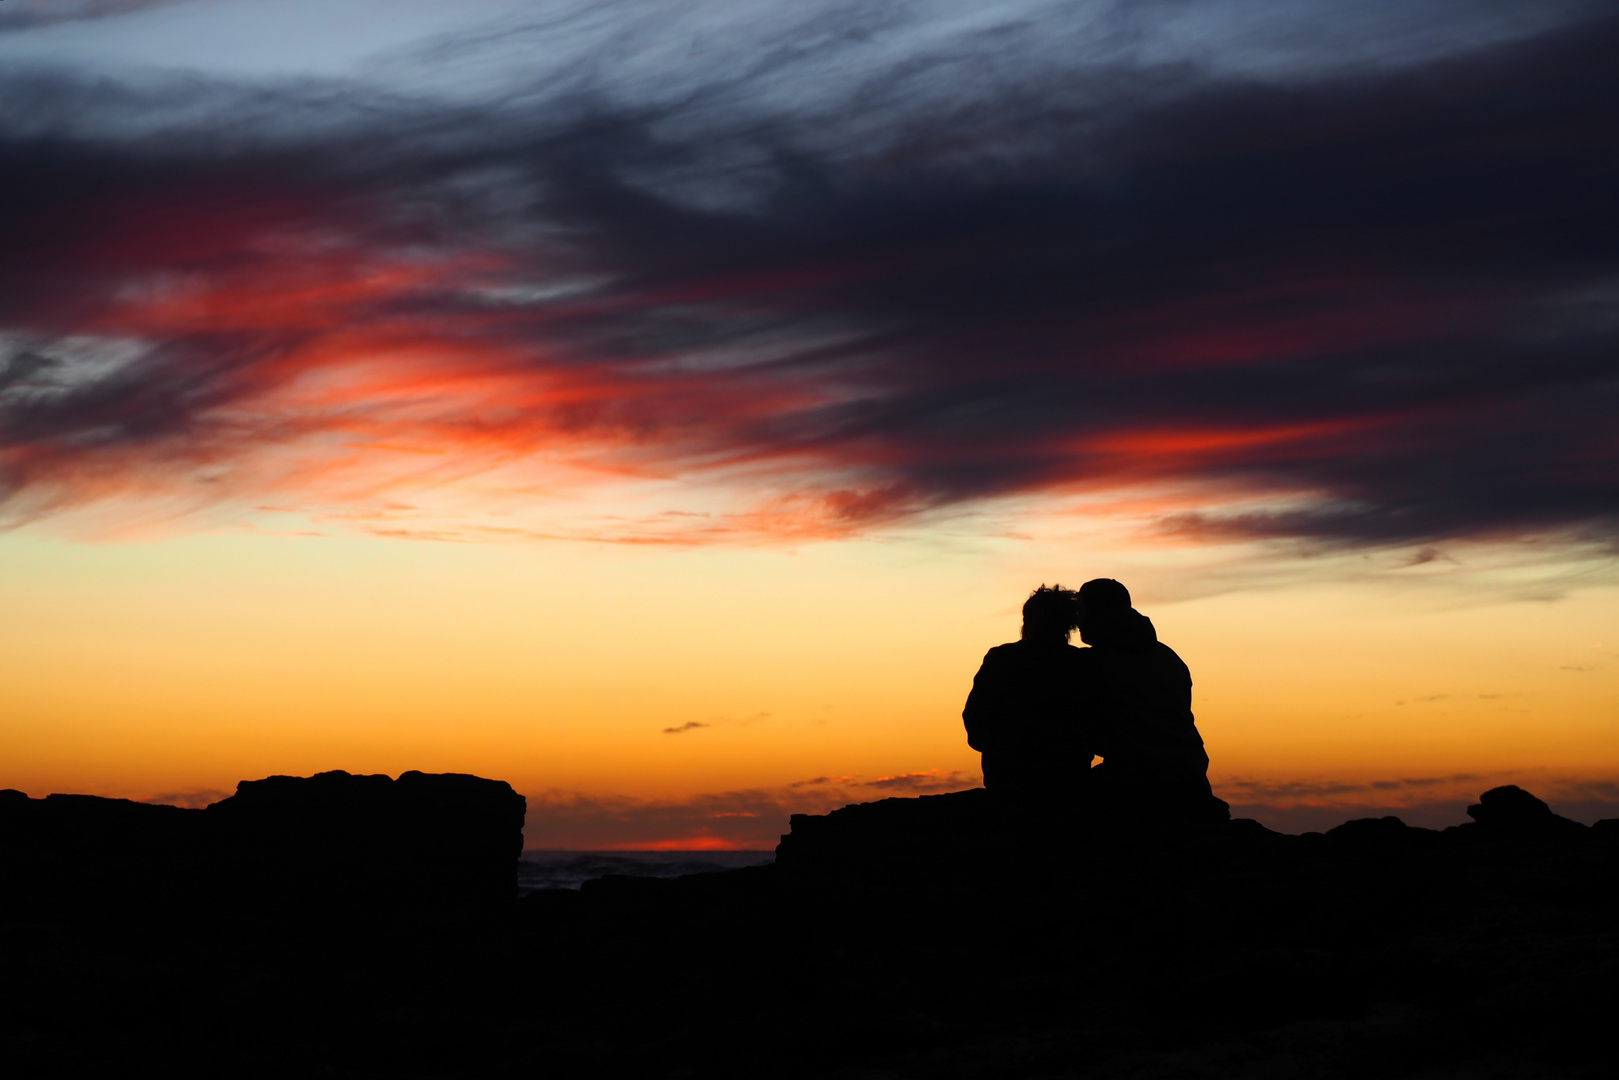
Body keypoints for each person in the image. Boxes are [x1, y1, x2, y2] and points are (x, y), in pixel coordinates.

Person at [1076, 578, 1229, 824]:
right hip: (1190, 775)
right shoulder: (1168, 657)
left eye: (1081, 610)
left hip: (1136, 781)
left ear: (1096, 612)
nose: (1077, 620)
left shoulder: (1094, 663)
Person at [962, 585, 1094, 803]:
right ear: (1069, 625)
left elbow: (974, 717)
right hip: (1068, 777)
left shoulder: (1001, 659)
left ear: (1029, 620)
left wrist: (995, 748)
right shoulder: (1083, 664)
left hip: (1007, 777)